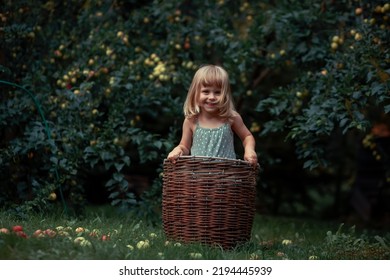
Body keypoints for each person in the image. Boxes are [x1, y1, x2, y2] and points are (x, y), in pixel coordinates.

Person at [167, 64, 258, 166]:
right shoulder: (191, 120)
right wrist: (178, 149)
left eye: (218, 92)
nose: (212, 97)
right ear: (195, 93)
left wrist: (249, 150)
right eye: (206, 92)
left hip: (226, 177)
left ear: (225, 95)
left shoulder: (231, 118)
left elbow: (247, 136)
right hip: (199, 177)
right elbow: (185, 146)